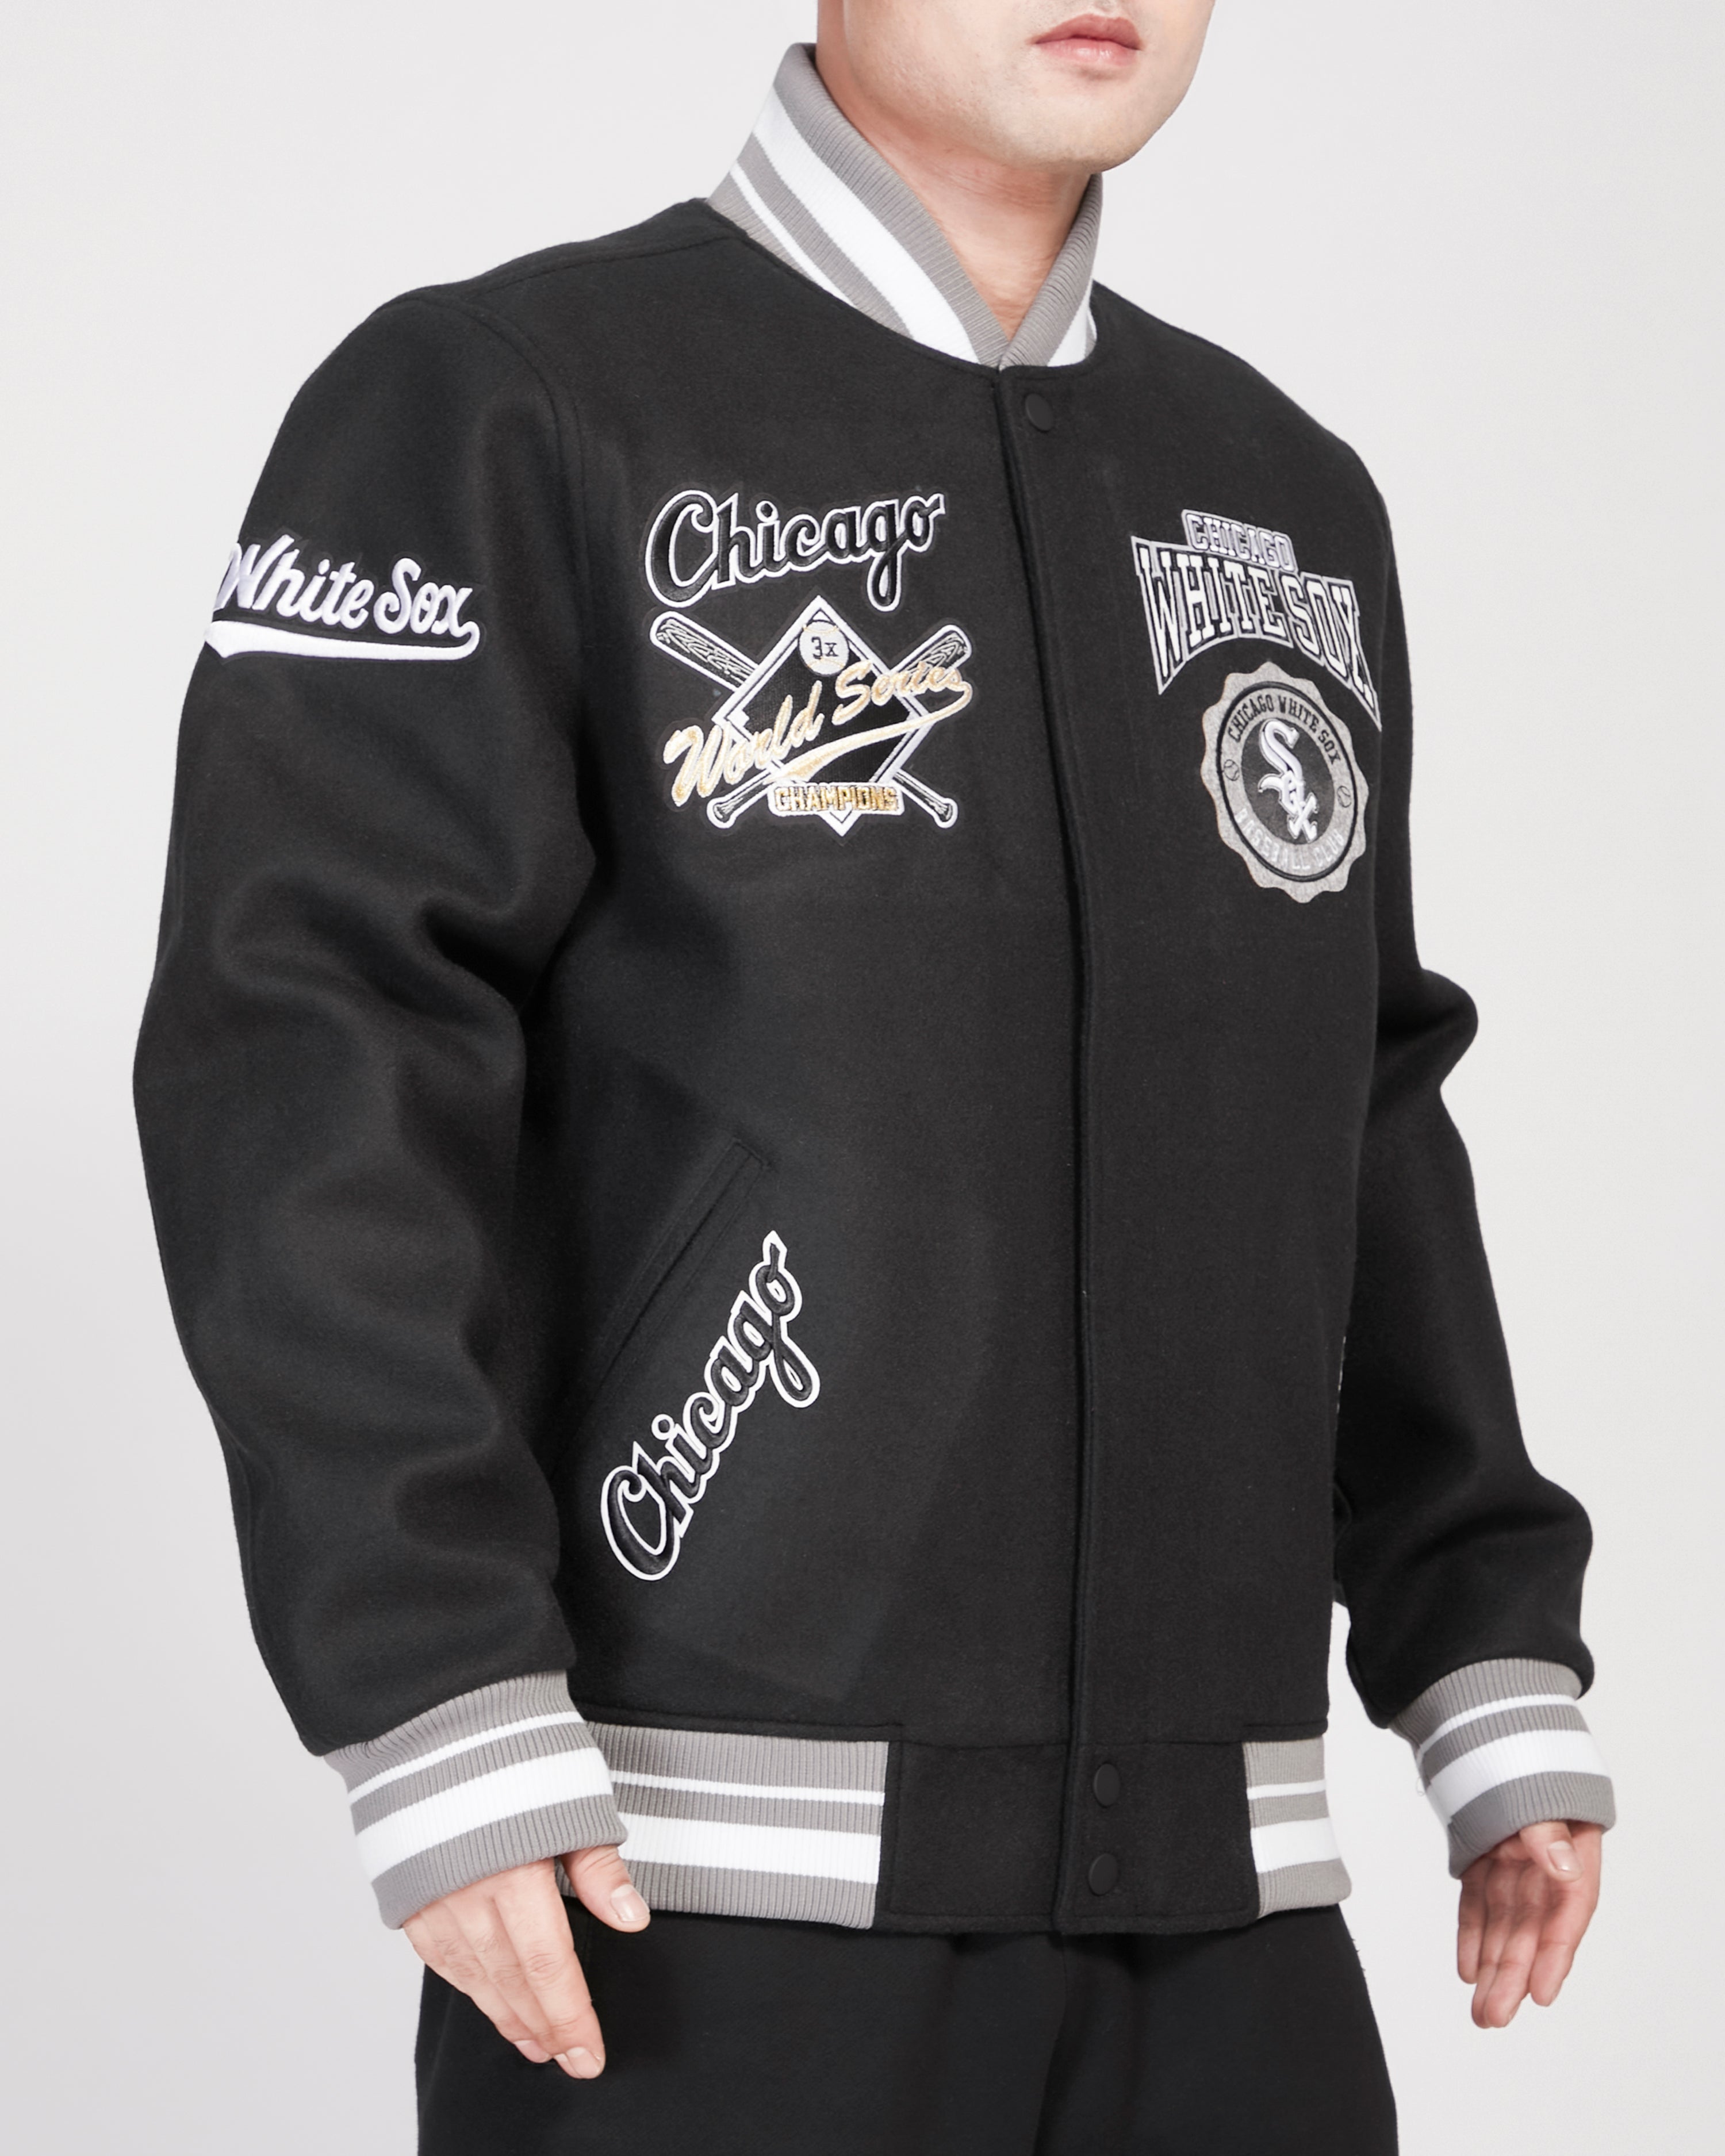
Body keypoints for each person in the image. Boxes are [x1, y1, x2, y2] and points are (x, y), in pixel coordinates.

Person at [135, 3, 1615, 2149]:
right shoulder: (504, 403)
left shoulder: (1284, 497)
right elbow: (306, 1051)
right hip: (690, 1914)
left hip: (1230, 1923)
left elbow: (1361, 1100)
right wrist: (432, 1691)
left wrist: (1485, 1641)